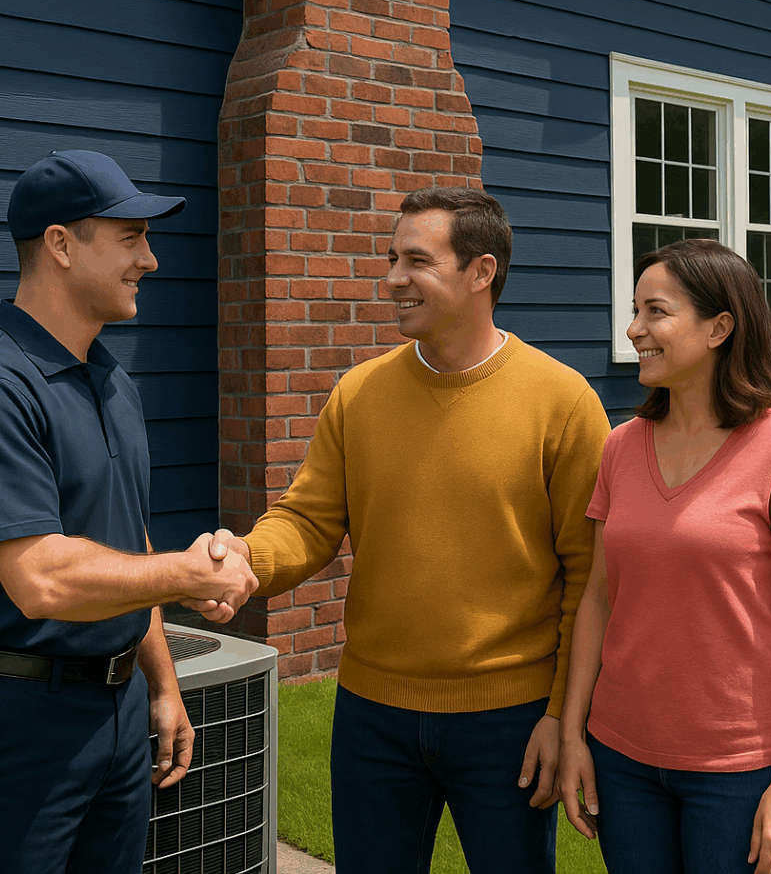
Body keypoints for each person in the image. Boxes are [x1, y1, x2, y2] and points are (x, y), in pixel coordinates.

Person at [206, 187, 611, 874]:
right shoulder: (359, 394)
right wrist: (248, 557)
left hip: (508, 721)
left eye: (415, 260)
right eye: (392, 257)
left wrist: (560, 718)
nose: (392, 277)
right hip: (373, 715)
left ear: (481, 272)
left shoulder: (563, 401)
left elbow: (590, 576)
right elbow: (307, 520)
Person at [0, 150, 257, 874]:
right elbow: (40, 575)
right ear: (61, 244)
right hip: (12, 716)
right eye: (130, 237)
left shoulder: (111, 381)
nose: (151, 260)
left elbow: (123, 543)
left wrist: (161, 684)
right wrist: (188, 573)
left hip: (116, 707)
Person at [558, 239, 771, 874]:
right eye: (634, 311)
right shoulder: (621, 448)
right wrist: (574, 733)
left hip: (740, 772)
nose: (634, 330)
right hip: (623, 761)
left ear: (719, 327)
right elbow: (599, 599)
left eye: (655, 311)